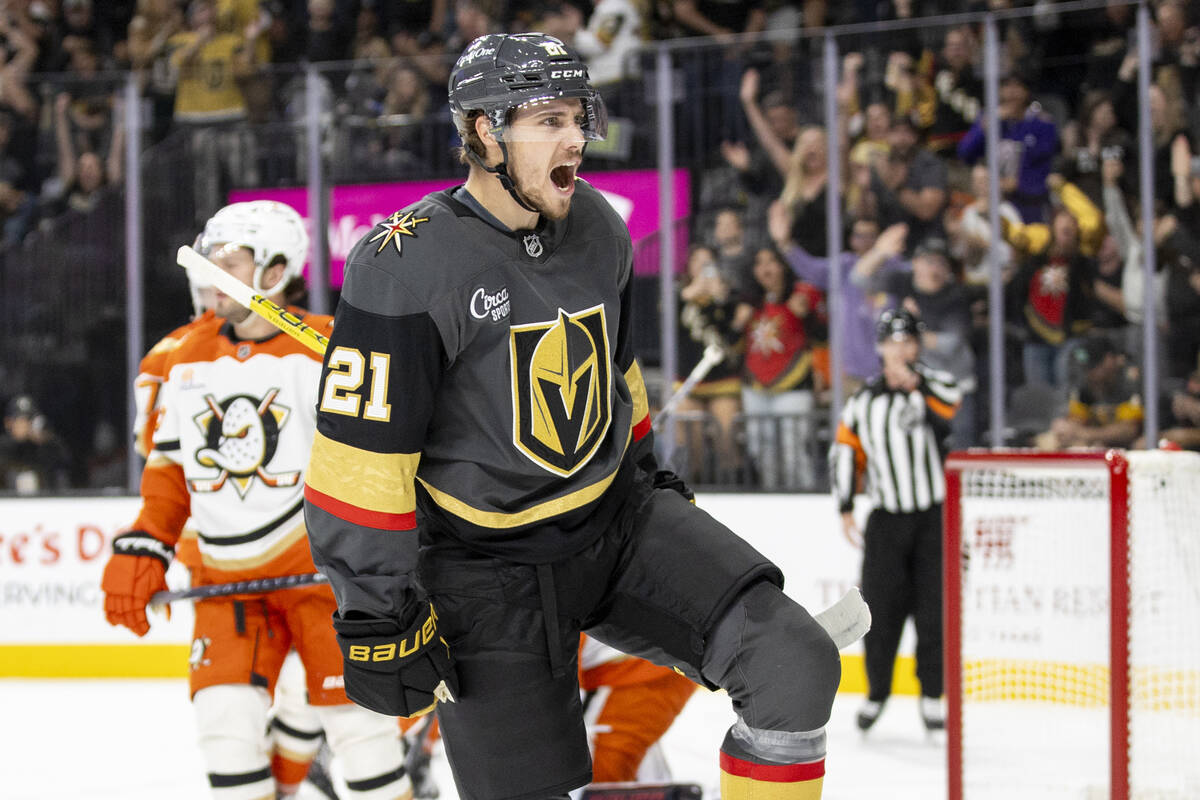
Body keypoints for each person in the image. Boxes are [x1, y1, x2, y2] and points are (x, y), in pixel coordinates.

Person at [303, 33, 848, 800]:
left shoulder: (597, 223)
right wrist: (374, 615)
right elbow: (358, 467)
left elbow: (618, 378)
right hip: (481, 570)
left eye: (578, 116)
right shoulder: (402, 264)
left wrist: (649, 475)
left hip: (613, 523)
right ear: (486, 132)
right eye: (551, 120)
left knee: (794, 661)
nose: (577, 139)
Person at [99, 200, 411, 800]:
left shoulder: (331, 346)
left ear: (275, 269)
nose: (212, 271)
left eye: (231, 260)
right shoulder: (178, 358)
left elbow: (383, 456)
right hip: (227, 583)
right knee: (225, 732)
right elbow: (169, 472)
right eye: (211, 258)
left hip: (328, 584)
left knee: (363, 734)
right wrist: (145, 544)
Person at [829, 308, 960, 734]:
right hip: (886, 520)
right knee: (880, 612)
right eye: (894, 340)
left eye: (909, 341)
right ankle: (877, 692)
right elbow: (846, 450)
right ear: (881, 346)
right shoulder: (864, 401)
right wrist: (846, 505)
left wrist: (917, 383)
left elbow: (953, 402)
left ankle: (931, 695)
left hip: (932, 518)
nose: (902, 348)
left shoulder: (930, 387)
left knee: (933, 609)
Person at [1038, 337, 1143, 450]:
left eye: (1093, 367)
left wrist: (1085, 434)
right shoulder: (1084, 384)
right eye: (1085, 368)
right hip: (1101, 446)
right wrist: (1066, 429)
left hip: (1135, 448)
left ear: (1109, 361)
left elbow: (1129, 430)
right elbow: (1077, 420)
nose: (1089, 374)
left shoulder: (1128, 380)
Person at [0, 395, 71, 494]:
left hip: (41, 503)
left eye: (29, 420)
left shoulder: (43, 445)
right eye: (20, 420)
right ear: (8, 422)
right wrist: (17, 441)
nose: (26, 425)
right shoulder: (3, 446)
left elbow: (64, 462)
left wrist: (45, 440)